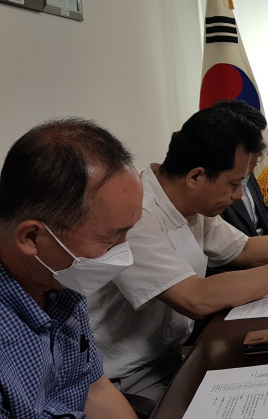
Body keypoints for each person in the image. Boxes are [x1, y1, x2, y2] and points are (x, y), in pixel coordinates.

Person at [87, 108, 268, 403]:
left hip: (171, 360)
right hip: (123, 383)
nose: (238, 195)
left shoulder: (191, 205)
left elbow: (243, 248)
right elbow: (196, 298)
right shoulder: (137, 215)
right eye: (233, 184)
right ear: (196, 176)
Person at [0, 118, 140, 418]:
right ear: (32, 237)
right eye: (109, 239)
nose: (122, 251)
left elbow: (94, 388)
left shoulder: (59, 285)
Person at [214, 100, 268, 236]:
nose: (259, 154)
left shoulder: (249, 173)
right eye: (253, 146)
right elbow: (232, 244)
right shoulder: (215, 184)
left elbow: (266, 216)